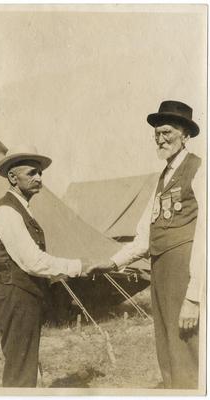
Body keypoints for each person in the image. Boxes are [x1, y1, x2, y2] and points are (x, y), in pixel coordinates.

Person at [98, 101, 205, 389]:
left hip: (184, 277)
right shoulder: (163, 178)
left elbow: (205, 237)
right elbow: (145, 236)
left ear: (185, 134)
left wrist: (194, 298)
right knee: (167, 348)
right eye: (156, 134)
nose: (160, 139)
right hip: (161, 277)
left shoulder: (199, 170)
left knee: (188, 351)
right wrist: (113, 262)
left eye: (167, 132)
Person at [0, 145, 97, 388]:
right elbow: (32, 261)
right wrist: (78, 266)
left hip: (23, 296)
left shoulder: (21, 209)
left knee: (25, 363)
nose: (39, 178)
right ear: (13, 178)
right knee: (19, 370)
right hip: (15, 297)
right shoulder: (6, 212)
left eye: (40, 173)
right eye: (32, 173)